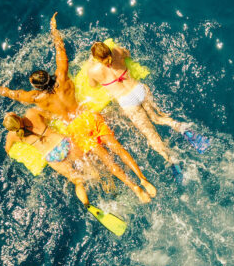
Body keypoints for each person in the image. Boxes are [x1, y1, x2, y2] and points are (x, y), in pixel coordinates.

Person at [0, 13, 156, 200]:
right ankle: (143, 179)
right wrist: (54, 30)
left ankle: (134, 189)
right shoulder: (62, 77)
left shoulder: (36, 98)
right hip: (88, 116)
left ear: (37, 86)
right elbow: (60, 52)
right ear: (48, 76)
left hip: (75, 128)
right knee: (117, 148)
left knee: (106, 160)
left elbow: (12, 93)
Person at [86, 41, 210, 180]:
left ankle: (172, 161)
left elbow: (93, 86)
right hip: (139, 90)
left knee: (152, 136)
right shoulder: (117, 52)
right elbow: (128, 54)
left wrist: (92, 63)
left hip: (128, 102)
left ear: (97, 58)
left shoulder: (93, 70)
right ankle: (182, 128)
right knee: (157, 118)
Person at [3, 108, 153, 204]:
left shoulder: (12, 136)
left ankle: (88, 204)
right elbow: (52, 116)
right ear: (16, 115)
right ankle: (114, 183)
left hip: (51, 156)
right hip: (63, 142)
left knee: (77, 181)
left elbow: (8, 150)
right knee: (94, 164)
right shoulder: (31, 113)